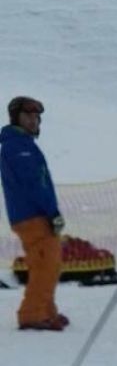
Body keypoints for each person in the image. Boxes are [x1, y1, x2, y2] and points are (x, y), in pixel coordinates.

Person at [0, 96, 68, 331]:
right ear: (15, 118)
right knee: (45, 265)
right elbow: (34, 184)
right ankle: (31, 315)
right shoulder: (17, 146)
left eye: (36, 117)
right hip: (32, 215)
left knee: (47, 264)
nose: (33, 120)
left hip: (34, 214)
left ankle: (46, 311)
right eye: (27, 116)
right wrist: (52, 212)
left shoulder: (22, 144)